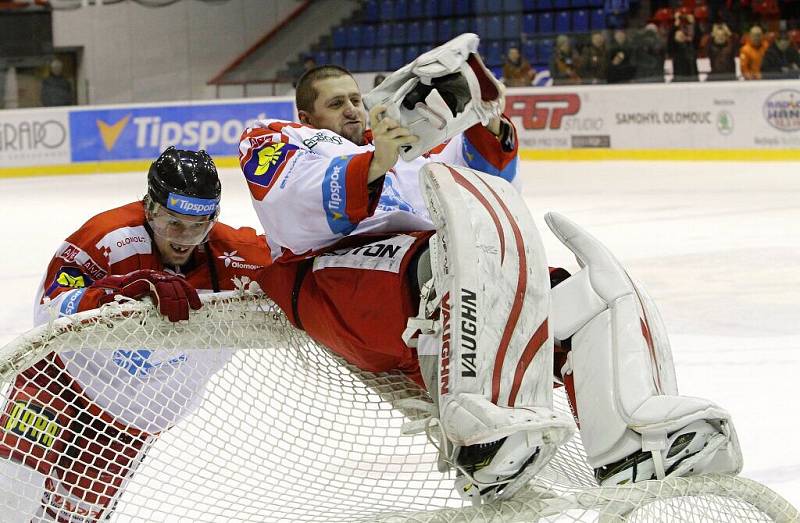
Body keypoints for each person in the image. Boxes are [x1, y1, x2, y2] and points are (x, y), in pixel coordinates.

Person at [239, 40, 741, 503]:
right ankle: (484, 440)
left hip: (432, 286)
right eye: (336, 103)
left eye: (354, 98)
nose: (352, 109)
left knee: (581, 295)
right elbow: (294, 201)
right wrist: (375, 162)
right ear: (306, 114)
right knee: (454, 256)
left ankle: (632, 442)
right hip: (337, 286)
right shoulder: (277, 139)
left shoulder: (395, 145)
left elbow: (475, 178)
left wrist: (485, 121)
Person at [0, 147, 270, 522]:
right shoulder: (106, 237)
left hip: (135, 416)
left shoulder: (240, 256)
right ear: (149, 207)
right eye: (172, 223)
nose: (183, 239)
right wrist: (116, 291)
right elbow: (50, 308)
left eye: (198, 226)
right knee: (8, 493)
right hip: (56, 382)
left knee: (69, 518)